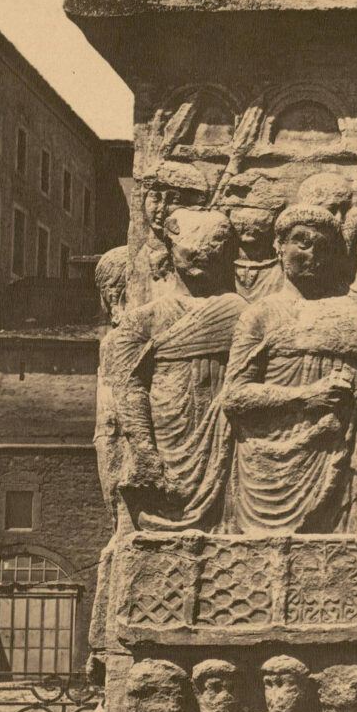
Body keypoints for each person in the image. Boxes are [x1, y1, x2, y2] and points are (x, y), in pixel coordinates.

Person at [222, 205, 357, 534]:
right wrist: (305, 396)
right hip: (266, 467)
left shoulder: (353, 313)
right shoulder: (260, 315)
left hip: (335, 456)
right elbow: (233, 397)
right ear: (279, 246)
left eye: (323, 247)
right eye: (302, 243)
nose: (312, 254)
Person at [112, 207, 244, 531]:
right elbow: (129, 386)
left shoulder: (241, 313)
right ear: (171, 249)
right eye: (191, 250)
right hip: (167, 428)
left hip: (224, 428)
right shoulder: (143, 319)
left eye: (212, 250)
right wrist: (144, 449)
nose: (201, 258)